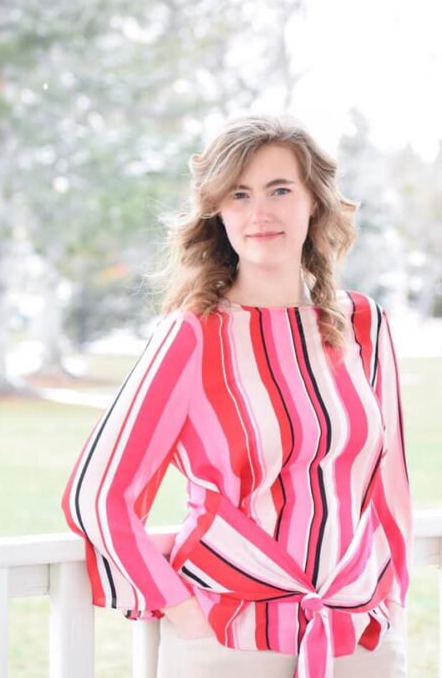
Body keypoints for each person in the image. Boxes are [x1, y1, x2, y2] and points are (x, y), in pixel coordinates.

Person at [61, 114, 413, 678]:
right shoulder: (194, 334)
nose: (260, 213)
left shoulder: (364, 324)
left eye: (280, 190)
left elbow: (389, 481)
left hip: (357, 635)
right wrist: (182, 612)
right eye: (239, 194)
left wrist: (393, 594)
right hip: (230, 642)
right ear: (218, 211)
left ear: (314, 203)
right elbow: (98, 494)